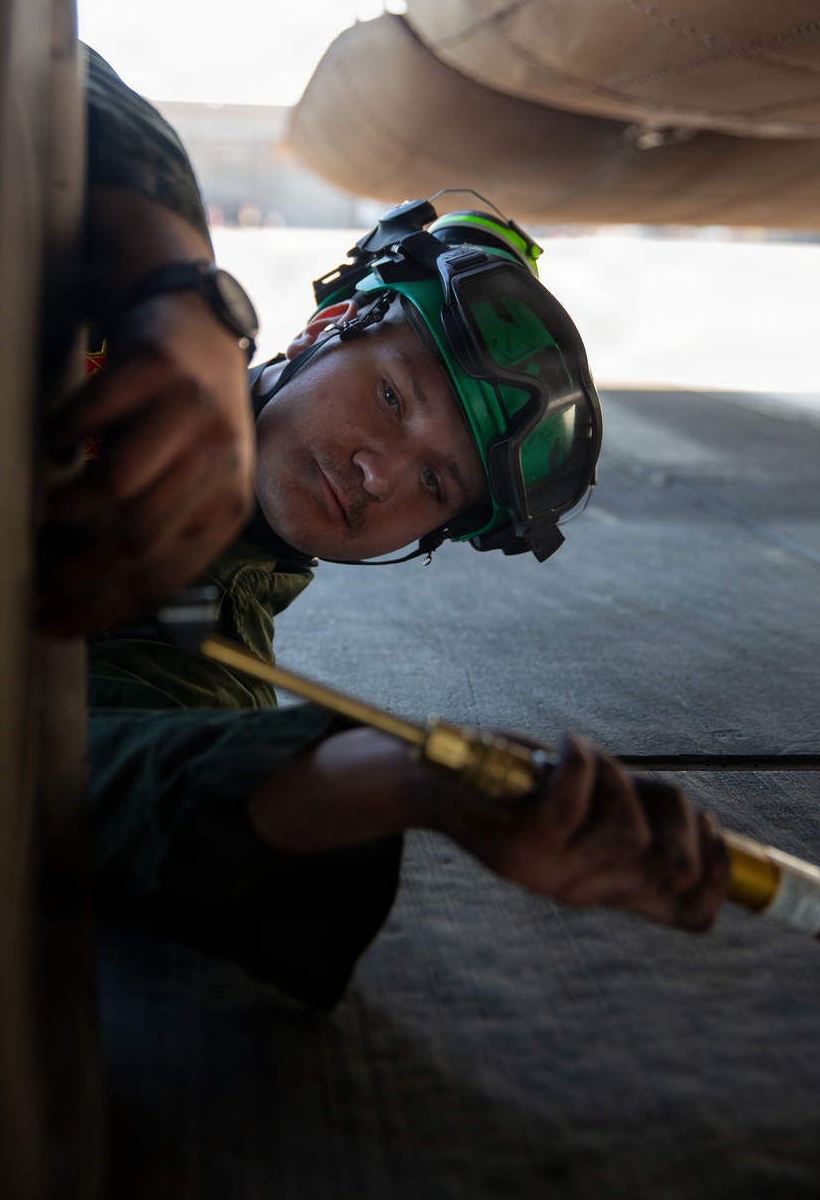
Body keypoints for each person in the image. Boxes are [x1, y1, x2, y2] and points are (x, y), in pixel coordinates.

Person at [39, 49, 728, 1010]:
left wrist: (421, 782)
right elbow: (29, 51)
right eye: (393, 396)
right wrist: (173, 285)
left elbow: (81, 790)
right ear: (325, 331)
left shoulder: (204, 660)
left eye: (435, 482)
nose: (378, 473)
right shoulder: (96, 274)